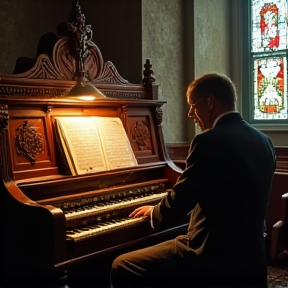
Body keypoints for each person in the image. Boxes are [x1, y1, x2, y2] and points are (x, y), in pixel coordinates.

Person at [110, 73, 276, 288]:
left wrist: (153, 213)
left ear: (210, 102)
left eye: (192, 106)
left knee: (122, 264)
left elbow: (180, 202)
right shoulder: (264, 141)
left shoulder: (208, 141)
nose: (190, 113)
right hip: (251, 256)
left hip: (210, 255)